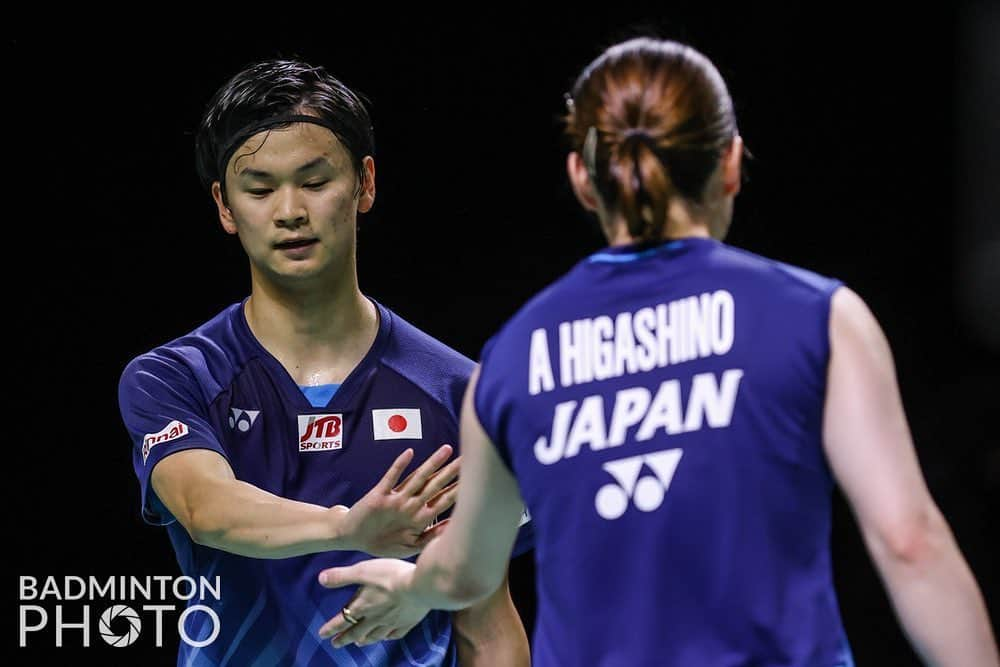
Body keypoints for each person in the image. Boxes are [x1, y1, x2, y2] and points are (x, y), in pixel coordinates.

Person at [314, 37, 1000, 666]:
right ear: (730, 161)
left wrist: (412, 584)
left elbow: (467, 567)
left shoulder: (514, 357)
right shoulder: (818, 318)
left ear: (583, 177)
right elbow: (910, 542)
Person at [117, 58, 531, 666]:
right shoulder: (176, 378)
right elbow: (206, 509)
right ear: (225, 207)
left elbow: (489, 630)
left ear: (365, 183)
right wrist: (349, 528)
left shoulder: (461, 394)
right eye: (259, 189)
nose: (289, 211)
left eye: (314, 182)